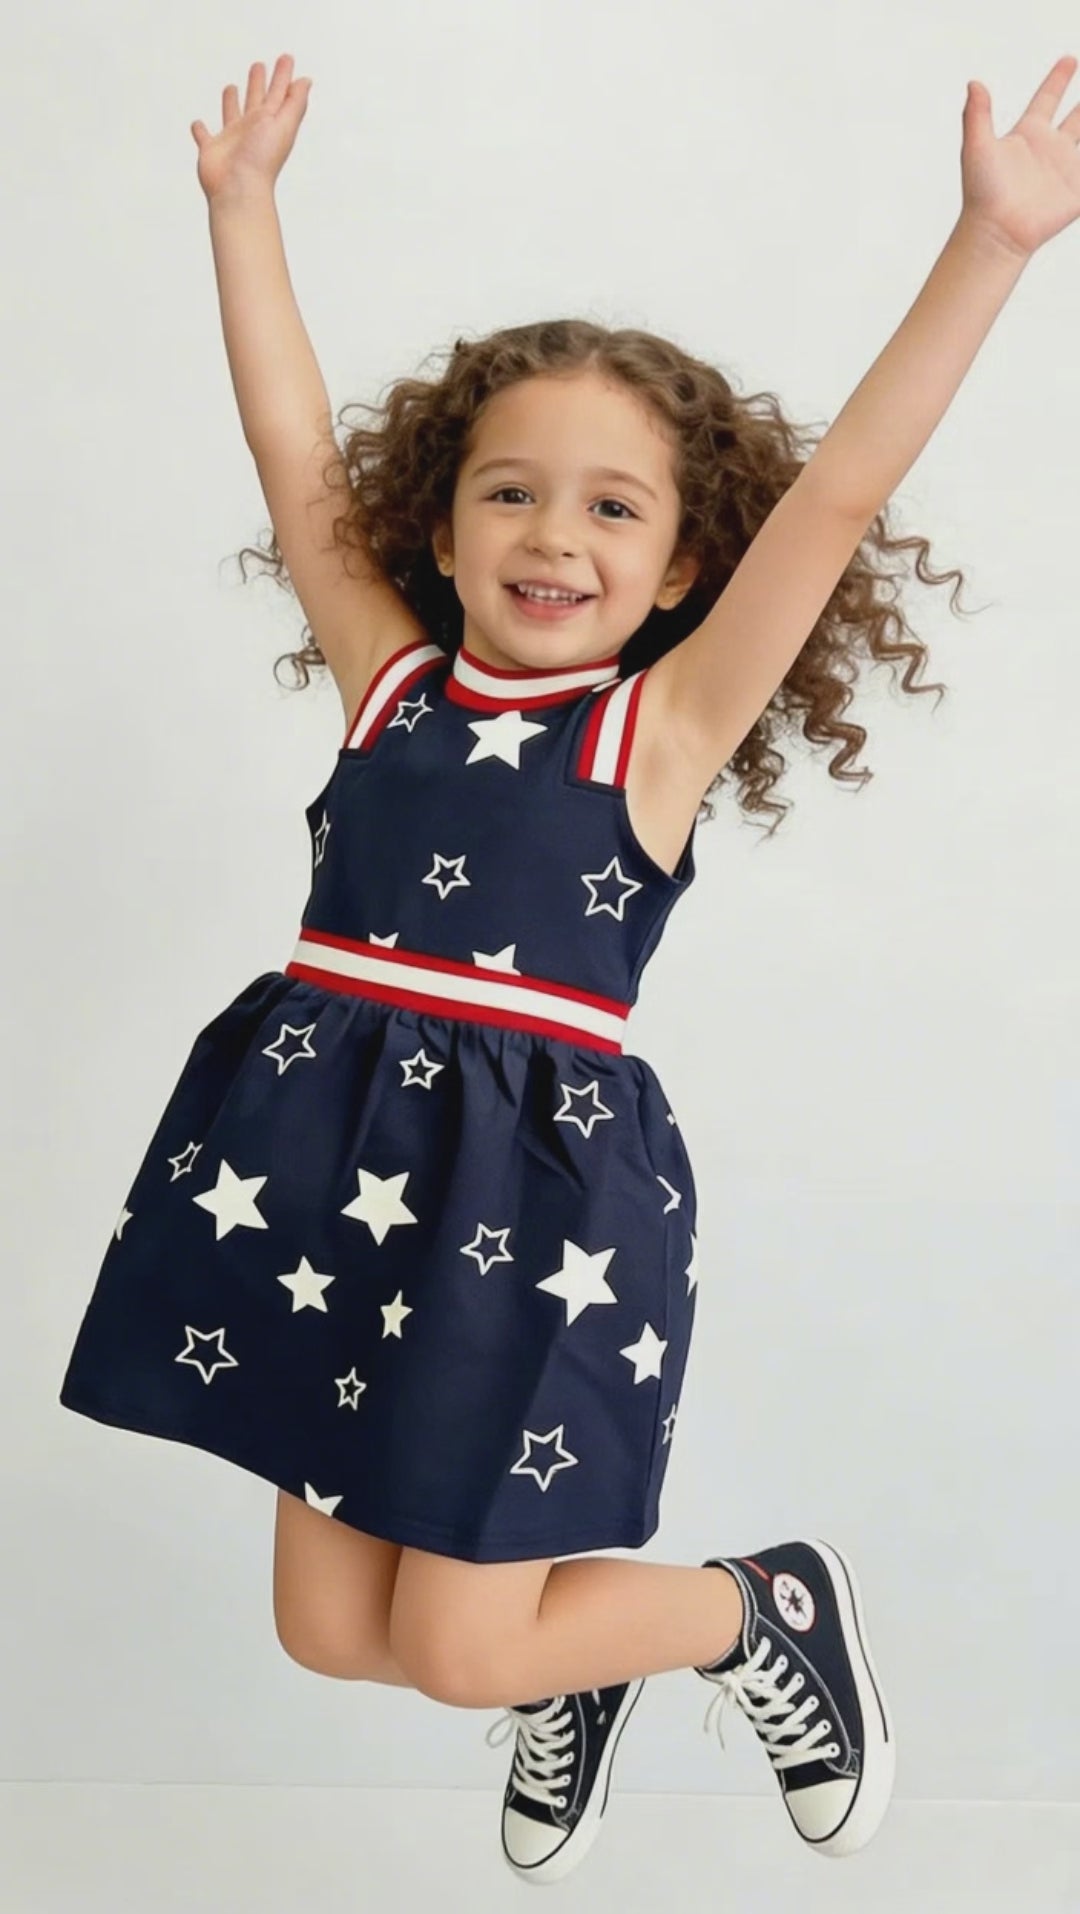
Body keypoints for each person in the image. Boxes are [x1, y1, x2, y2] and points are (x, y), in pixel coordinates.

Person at [58, 48, 1079, 1888]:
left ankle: (759, 1606)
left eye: (616, 508)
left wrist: (992, 245)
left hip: (526, 1212)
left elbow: (837, 496)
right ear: (441, 525)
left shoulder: (654, 735)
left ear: (683, 565)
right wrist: (244, 213)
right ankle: (585, 1666)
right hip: (325, 1185)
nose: (554, 534)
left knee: (463, 1647)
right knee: (329, 1631)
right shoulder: (388, 680)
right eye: (512, 493)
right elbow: (293, 459)